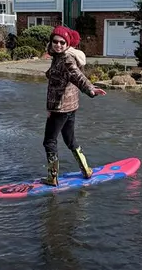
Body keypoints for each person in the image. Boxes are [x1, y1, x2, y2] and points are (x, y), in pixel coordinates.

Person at [42, 25, 106, 186]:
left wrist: (91, 89)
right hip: (70, 107)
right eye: (55, 41)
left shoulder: (66, 60)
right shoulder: (58, 56)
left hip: (60, 108)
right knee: (70, 140)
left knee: (49, 141)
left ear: (67, 45)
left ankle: (52, 177)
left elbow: (78, 76)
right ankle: (86, 170)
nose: (58, 45)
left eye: (62, 43)